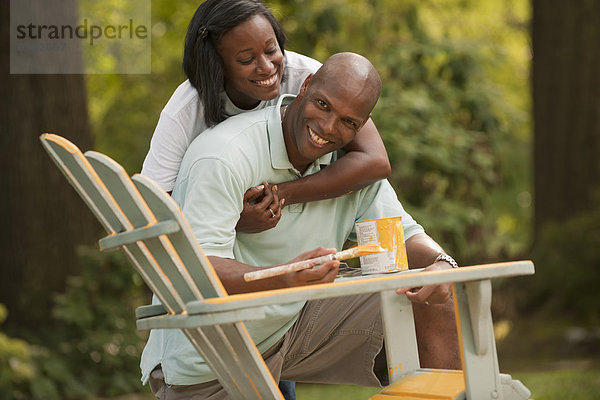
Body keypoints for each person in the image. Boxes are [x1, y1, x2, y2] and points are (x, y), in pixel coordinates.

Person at [141, 52, 460, 399]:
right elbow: (197, 272)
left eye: (348, 122)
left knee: (435, 294)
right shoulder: (224, 156)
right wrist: (286, 277)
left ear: (362, 126)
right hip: (213, 350)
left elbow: (405, 237)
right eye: (323, 104)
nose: (328, 127)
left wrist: (442, 264)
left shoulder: (352, 169)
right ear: (306, 86)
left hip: (296, 321)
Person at [140, 0, 391, 235]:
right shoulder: (186, 110)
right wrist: (230, 220)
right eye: (247, 60)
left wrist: (280, 196)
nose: (267, 67)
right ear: (216, 64)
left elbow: (376, 161)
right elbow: (153, 210)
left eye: (271, 49)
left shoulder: (309, 77)